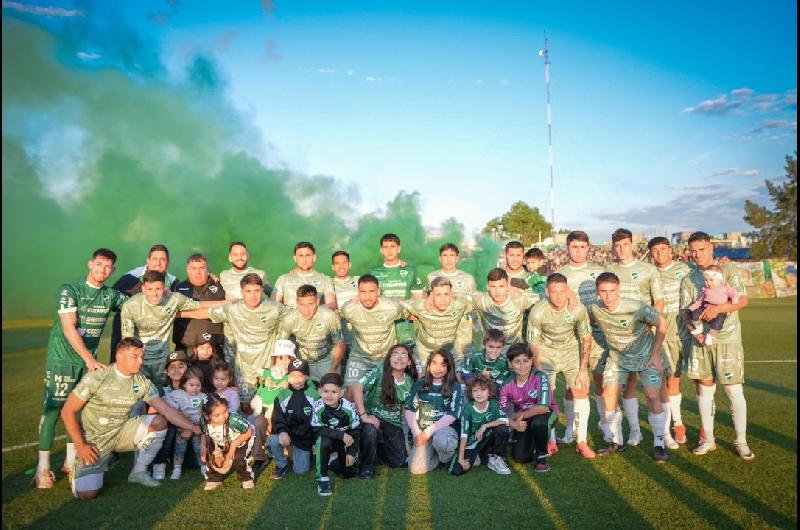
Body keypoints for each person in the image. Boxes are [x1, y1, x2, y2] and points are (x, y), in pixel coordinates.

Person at [61, 337, 201, 499]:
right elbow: (67, 411)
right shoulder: (97, 378)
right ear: (119, 356)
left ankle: (138, 472)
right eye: (135, 357)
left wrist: (193, 428)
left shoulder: (141, 382)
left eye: (141, 356)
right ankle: (79, 468)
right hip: (94, 442)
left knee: (159, 421)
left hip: (121, 432)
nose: (140, 362)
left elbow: (167, 411)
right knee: (87, 494)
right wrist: (81, 445)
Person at [35, 248, 127, 489]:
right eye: (99, 264)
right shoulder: (70, 290)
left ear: (113, 270)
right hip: (63, 359)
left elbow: (138, 303)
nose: (102, 270)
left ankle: (70, 461)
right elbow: (68, 328)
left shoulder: (110, 295)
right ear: (90, 264)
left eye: (108, 267)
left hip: (89, 361)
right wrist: (88, 358)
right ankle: (42, 468)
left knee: (78, 410)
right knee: (54, 408)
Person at [681, 232, 753, 460]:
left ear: (711, 248)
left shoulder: (729, 270)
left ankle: (741, 441)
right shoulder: (689, 278)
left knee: (734, 391)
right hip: (701, 342)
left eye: (701, 249)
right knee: (705, 390)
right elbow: (686, 312)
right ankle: (708, 440)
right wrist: (696, 334)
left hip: (728, 341)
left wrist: (718, 310)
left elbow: (742, 301)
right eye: (693, 250)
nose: (697, 254)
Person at [589, 272, 671, 463]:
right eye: (603, 291)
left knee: (652, 395)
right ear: (597, 292)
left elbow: (662, 323)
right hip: (618, 358)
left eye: (612, 290)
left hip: (646, 356)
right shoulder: (595, 308)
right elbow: (591, 321)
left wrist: (656, 354)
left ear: (619, 289)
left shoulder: (635, 306)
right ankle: (617, 442)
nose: (608, 295)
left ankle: (659, 444)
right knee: (608, 395)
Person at [181, 273, 288, 414]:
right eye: (248, 291)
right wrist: (175, 313)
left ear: (262, 290)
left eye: (257, 291)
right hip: (243, 369)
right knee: (245, 406)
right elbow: (205, 312)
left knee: (270, 405)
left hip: (267, 366)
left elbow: (296, 318)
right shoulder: (233, 309)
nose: (253, 295)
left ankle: (266, 434)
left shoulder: (275, 309)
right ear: (242, 291)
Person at [605, 228, 665, 447]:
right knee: (627, 388)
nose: (621, 249)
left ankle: (663, 436)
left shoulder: (648, 270)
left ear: (632, 245)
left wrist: (651, 321)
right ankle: (635, 431)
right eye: (617, 245)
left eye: (625, 245)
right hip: (620, 340)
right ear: (613, 247)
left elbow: (659, 301)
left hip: (645, 337)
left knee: (654, 390)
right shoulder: (609, 268)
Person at [527, 273, 596, 459]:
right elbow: (533, 344)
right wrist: (539, 371)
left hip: (571, 354)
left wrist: (583, 370)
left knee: (581, 391)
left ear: (568, 291)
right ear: (547, 292)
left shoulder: (577, 309)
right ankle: (550, 440)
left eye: (562, 291)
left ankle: (581, 441)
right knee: (546, 396)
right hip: (546, 355)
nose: (558, 296)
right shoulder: (538, 312)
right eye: (554, 291)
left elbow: (586, 338)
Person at [556, 230, 613, 445]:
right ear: (567, 248)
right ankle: (571, 429)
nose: (578, 251)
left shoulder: (599, 271)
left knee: (601, 382)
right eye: (574, 246)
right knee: (573, 386)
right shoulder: (561, 274)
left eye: (582, 246)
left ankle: (606, 426)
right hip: (571, 338)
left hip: (598, 336)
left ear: (588, 248)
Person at [120, 270, 223, 387]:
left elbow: (199, 306)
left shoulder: (174, 299)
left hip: (162, 362)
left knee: (164, 393)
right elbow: (127, 341)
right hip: (140, 362)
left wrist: (229, 302)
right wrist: (131, 364)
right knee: (140, 400)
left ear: (164, 288)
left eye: (158, 289)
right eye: (149, 289)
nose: (154, 294)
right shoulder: (130, 305)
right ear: (143, 289)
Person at [648, 236, 693, 447]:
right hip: (662, 334)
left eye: (663, 249)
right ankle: (676, 425)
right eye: (655, 250)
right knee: (668, 380)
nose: (659, 253)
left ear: (670, 250)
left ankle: (703, 430)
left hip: (685, 332)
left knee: (698, 380)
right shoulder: (650, 272)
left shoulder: (685, 269)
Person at [351, 344, 418, 479]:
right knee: (370, 430)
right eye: (395, 353)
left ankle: (375, 448)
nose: (399, 357)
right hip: (372, 418)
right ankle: (367, 467)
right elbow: (356, 387)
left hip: (393, 423)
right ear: (389, 359)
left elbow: (405, 408)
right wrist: (364, 415)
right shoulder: (380, 371)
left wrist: (415, 430)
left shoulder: (410, 380)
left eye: (404, 354)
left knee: (399, 462)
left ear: (409, 361)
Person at [110, 244, 178, 362]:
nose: (158, 263)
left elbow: (185, 302)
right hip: (126, 333)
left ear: (168, 263)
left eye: (162, 259)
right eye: (154, 259)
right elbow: (112, 300)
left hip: (155, 339)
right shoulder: (131, 277)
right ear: (148, 261)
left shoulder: (173, 282)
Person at [339, 275, 405, 391]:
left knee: (390, 392)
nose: (367, 296)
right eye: (363, 292)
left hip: (386, 358)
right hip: (359, 358)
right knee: (350, 393)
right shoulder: (349, 309)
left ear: (378, 291)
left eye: (371, 291)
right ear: (358, 293)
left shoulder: (392, 307)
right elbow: (339, 314)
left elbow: (412, 312)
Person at [499, 344, 558, 472]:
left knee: (539, 422)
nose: (522, 365)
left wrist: (519, 416)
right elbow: (500, 411)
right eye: (517, 362)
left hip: (546, 414)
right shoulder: (506, 382)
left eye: (526, 361)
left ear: (531, 361)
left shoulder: (540, 377)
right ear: (510, 364)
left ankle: (542, 454)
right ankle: (533, 439)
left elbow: (543, 408)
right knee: (521, 457)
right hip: (524, 418)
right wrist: (514, 424)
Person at [405, 350, 463, 474]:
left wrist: (428, 432)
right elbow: (410, 409)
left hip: (444, 430)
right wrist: (417, 434)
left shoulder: (454, 386)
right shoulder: (420, 383)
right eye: (434, 363)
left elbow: (452, 415)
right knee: (415, 469)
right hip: (423, 430)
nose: (438, 368)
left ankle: (446, 457)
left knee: (442, 441)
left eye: (443, 365)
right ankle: (436, 457)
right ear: (428, 365)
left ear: (449, 367)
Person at [401, 276, 472, 371]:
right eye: (438, 295)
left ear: (451, 294)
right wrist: (409, 315)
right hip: (425, 352)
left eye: (446, 294)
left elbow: (478, 298)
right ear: (432, 294)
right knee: (421, 381)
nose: (443, 299)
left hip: (450, 351)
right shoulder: (421, 306)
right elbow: (398, 306)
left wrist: (457, 294)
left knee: (459, 379)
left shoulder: (459, 304)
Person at [278, 285, 345, 382]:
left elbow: (339, 344)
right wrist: (286, 367)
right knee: (297, 389)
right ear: (297, 303)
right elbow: (281, 345)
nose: (306, 309)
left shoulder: (329, 316)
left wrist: (333, 369)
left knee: (331, 388)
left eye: (310, 304)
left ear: (317, 302)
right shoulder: (289, 319)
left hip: (326, 359)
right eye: (302, 305)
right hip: (302, 360)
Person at [369, 233, 424, 348]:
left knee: (405, 362)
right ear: (381, 250)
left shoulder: (410, 271)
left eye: (392, 246)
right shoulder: (374, 273)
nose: (389, 250)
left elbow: (419, 302)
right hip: (382, 328)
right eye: (386, 247)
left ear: (399, 249)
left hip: (406, 328)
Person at [426, 243, 479, 361]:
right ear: (440, 258)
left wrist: (476, 326)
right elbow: (428, 301)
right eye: (445, 255)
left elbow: (474, 304)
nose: (448, 259)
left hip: (463, 331)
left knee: (463, 365)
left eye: (452, 255)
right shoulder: (431, 277)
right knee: (441, 361)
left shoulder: (468, 278)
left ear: (457, 258)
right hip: (440, 330)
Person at [450, 374, 511, 476]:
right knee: (457, 471)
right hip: (472, 443)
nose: (479, 394)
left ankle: (498, 458)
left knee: (503, 429)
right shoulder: (468, 409)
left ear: (489, 392)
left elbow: (505, 420)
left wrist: (485, 426)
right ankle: (484, 456)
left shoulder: (493, 404)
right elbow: (464, 435)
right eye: (475, 390)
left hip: (486, 438)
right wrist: (461, 459)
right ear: (471, 393)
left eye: (482, 390)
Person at [269, 358, 320, 479]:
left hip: (305, 437)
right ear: (288, 376)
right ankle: (281, 465)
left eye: (300, 375)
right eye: (292, 375)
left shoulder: (315, 395)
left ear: (307, 377)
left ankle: (307, 454)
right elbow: (277, 418)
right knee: (274, 440)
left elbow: (319, 420)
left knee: (301, 471)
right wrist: (282, 431)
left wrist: (314, 441)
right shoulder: (281, 395)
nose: (296, 379)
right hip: (289, 434)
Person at [250, 339, 297, 470]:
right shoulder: (269, 375)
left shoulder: (294, 375)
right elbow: (260, 393)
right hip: (266, 411)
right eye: (281, 358)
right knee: (259, 421)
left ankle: (291, 453)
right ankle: (259, 456)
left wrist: (289, 386)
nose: (285, 362)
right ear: (275, 359)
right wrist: (265, 383)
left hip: (286, 413)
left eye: (289, 358)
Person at [219, 241, 269, 363]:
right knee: (232, 365)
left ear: (247, 255)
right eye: (235, 254)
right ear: (230, 258)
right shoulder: (223, 275)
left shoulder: (260, 274)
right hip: (232, 331)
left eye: (243, 254)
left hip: (254, 329)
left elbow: (273, 292)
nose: (239, 257)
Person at [312, 372, 361, 496]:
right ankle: (322, 479)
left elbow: (355, 431)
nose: (329, 395)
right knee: (323, 439)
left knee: (348, 474)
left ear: (341, 392)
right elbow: (317, 429)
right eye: (325, 391)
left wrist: (351, 452)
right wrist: (341, 435)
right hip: (328, 441)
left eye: (333, 392)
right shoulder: (317, 407)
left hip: (345, 444)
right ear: (319, 391)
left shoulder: (349, 408)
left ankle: (334, 460)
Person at [468, 268, 541, 349]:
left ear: (507, 286)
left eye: (501, 286)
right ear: (487, 287)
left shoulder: (519, 300)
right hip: (491, 350)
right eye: (493, 286)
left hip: (514, 351)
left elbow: (544, 296)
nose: (497, 291)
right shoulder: (481, 299)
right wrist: (476, 325)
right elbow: (458, 296)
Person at [200, 393, 255, 490]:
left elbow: (249, 431)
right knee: (210, 455)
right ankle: (214, 478)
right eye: (217, 415)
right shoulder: (203, 422)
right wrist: (203, 450)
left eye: (225, 411)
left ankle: (246, 477)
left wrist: (234, 445)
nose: (223, 417)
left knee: (238, 457)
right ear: (207, 416)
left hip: (242, 440)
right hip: (220, 442)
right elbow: (204, 435)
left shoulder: (233, 419)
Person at [172, 253, 226, 352]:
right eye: (194, 268)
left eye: (202, 268)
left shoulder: (219, 286)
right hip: (185, 348)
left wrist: (181, 314)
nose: (198, 272)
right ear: (188, 269)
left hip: (213, 348)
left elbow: (224, 310)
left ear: (207, 270)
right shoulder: (178, 287)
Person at [151, 350, 190, 481]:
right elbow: (152, 413)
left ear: (188, 368)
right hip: (169, 433)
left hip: (188, 432)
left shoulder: (194, 388)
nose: (176, 370)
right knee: (170, 428)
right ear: (167, 372)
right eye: (171, 367)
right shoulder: (163, 390)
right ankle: (160, 463)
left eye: (181, 366)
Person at [164, 367, 206, 480]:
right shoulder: (178, 394)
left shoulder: (202, 396)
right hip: (182, 427)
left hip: (198, 427)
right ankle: (177, 468)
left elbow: (207, 411)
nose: (195, 388)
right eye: (191, 385)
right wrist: (184, 425)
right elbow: (169, 405)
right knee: (180, 448)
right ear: (184, 384)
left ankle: (203, 466)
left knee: (198, 447)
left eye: (198, 385)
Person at [272, 241, 336, 310]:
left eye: (307, 255)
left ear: (314, 258)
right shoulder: (283, 279)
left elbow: (331, 304)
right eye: (301, 256)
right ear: (295, 259)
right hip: (289, 319)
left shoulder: (325, 279)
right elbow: (274, 304)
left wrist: (310, 311)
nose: (304, 260)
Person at [688, 265, 740, 346]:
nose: (708, 283)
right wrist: (694, 306)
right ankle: (698, 327)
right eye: (706, 280)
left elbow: (733, 293)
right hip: (705, 305)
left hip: (719, 308)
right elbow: (701, 299)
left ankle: (711, 336)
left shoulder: (724, 288)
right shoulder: (705, 289)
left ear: (719, 279)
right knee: (694, 314)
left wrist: (735, 298)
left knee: (718, 323)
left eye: (711, 280)